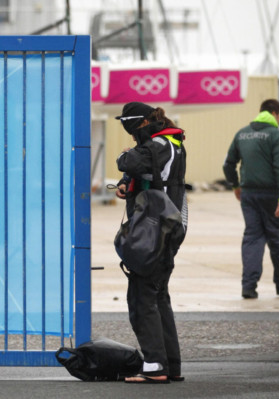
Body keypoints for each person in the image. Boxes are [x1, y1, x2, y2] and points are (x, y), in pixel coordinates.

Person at [114, 102, 187, 384]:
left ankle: (156, 366)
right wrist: (125, 183)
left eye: (131, 130)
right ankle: (170, 364)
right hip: (169, 225)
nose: (131, 138)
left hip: (157, 229)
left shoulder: (158, 144)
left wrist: (125, 158)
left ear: (140, 124)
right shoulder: (170, 140)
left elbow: (131, 161)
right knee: (158, 295)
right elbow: (144, 170)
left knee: (142, 297)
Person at [222, 99, 279, 299]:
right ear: (273, 113)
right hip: (270, 195)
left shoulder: (242, 133)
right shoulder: (276, 136)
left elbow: (228, 164)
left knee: (253, 237)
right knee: (276, 237)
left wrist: (235, 185)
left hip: (248, 194)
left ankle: (249, 286)